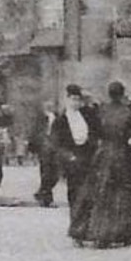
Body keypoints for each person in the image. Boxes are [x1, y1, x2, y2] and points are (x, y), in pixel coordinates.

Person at [69, 80, 131, 247]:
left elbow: (93, 133)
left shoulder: (101, 109)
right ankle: (119, 233)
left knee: (96, 192)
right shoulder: (129, 112)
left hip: (102, 154)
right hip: (121, 154)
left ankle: (85, 231)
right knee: (121, 195)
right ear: (123, 93)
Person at [51, 85, 99, 214]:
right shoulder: (60, 120)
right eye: (73, 99)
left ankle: (86, 223)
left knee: (89, 192)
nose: (76, 103)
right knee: (74, 191)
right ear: (67, 99)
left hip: (87, 156)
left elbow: (96, 130)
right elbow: (56, 143)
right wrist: (68, 156)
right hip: (72, 158)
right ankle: (75, 221)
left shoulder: (87, 115)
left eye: (78, 100)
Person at [29, 101, 61, 206]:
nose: (50, 107)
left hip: (56, 147)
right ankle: (47, 199)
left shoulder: (58, 117)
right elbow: (34, 132)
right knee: (46, 172)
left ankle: (41, 192)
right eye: (47, 106)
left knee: (55, 174)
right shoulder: (40, 118)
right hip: (44, 147)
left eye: (51, 106)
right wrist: (33, 148)